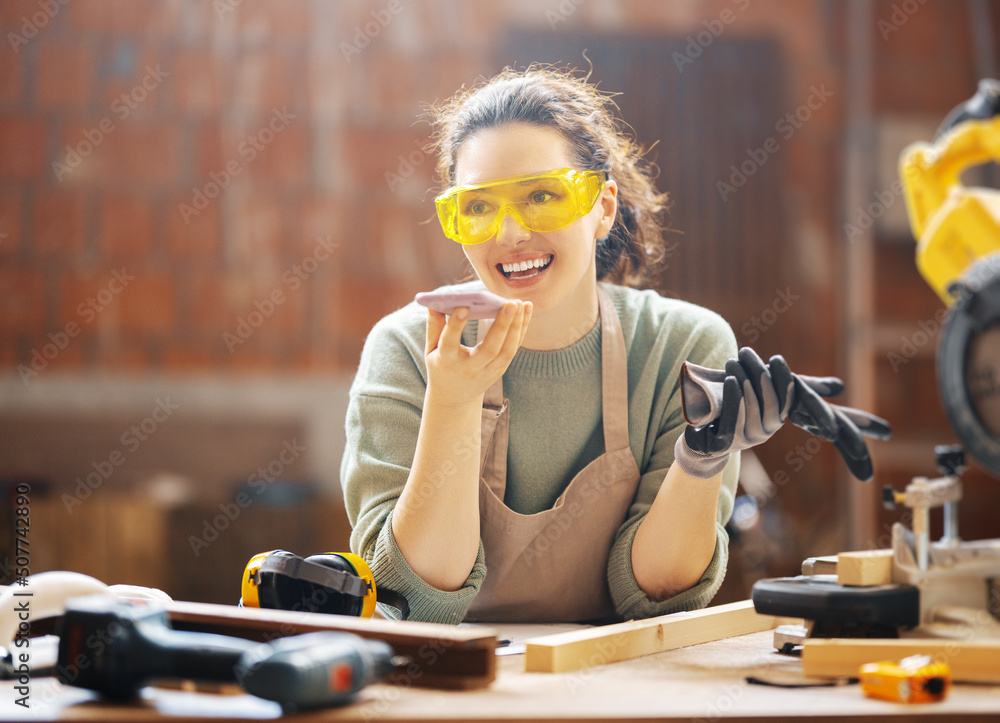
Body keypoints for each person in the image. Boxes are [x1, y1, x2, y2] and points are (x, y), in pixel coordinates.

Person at [341, 66, 888, 624]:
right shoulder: (408, 348)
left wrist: (703, 458)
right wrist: (452, 399)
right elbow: (416, 595)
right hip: (449, 686)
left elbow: (659, 590)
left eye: (542, 196)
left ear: (601, 210)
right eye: (479, 207)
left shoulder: (683, 345)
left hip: (614, 682)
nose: (508, 234)